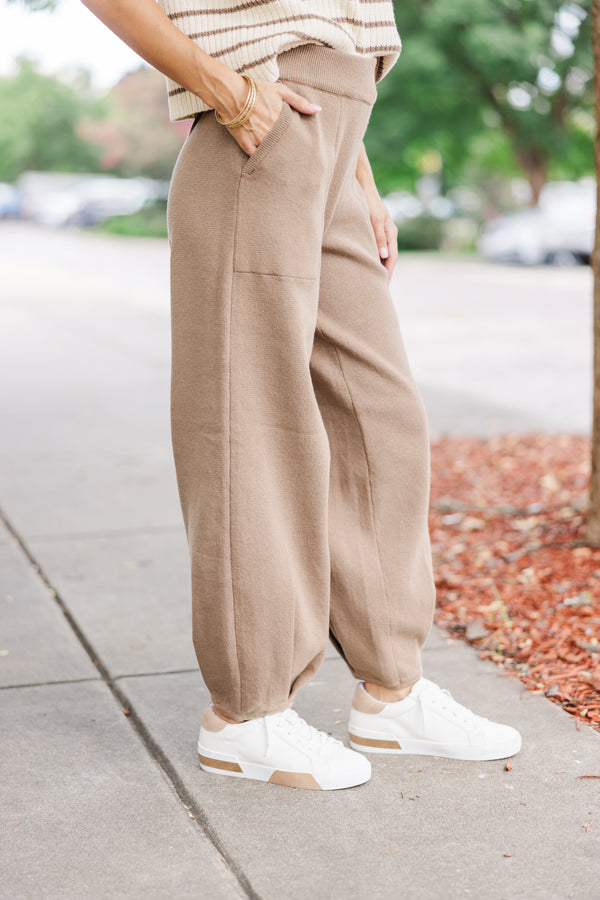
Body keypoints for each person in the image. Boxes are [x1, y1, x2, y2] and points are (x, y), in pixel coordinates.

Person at [82, 0, 521, 791]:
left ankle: (393, 692)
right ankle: (246, 715)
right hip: (257, 122)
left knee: (379, 416)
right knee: (250, 420)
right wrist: (220, 87)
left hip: (333, 144)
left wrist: (359, 176)